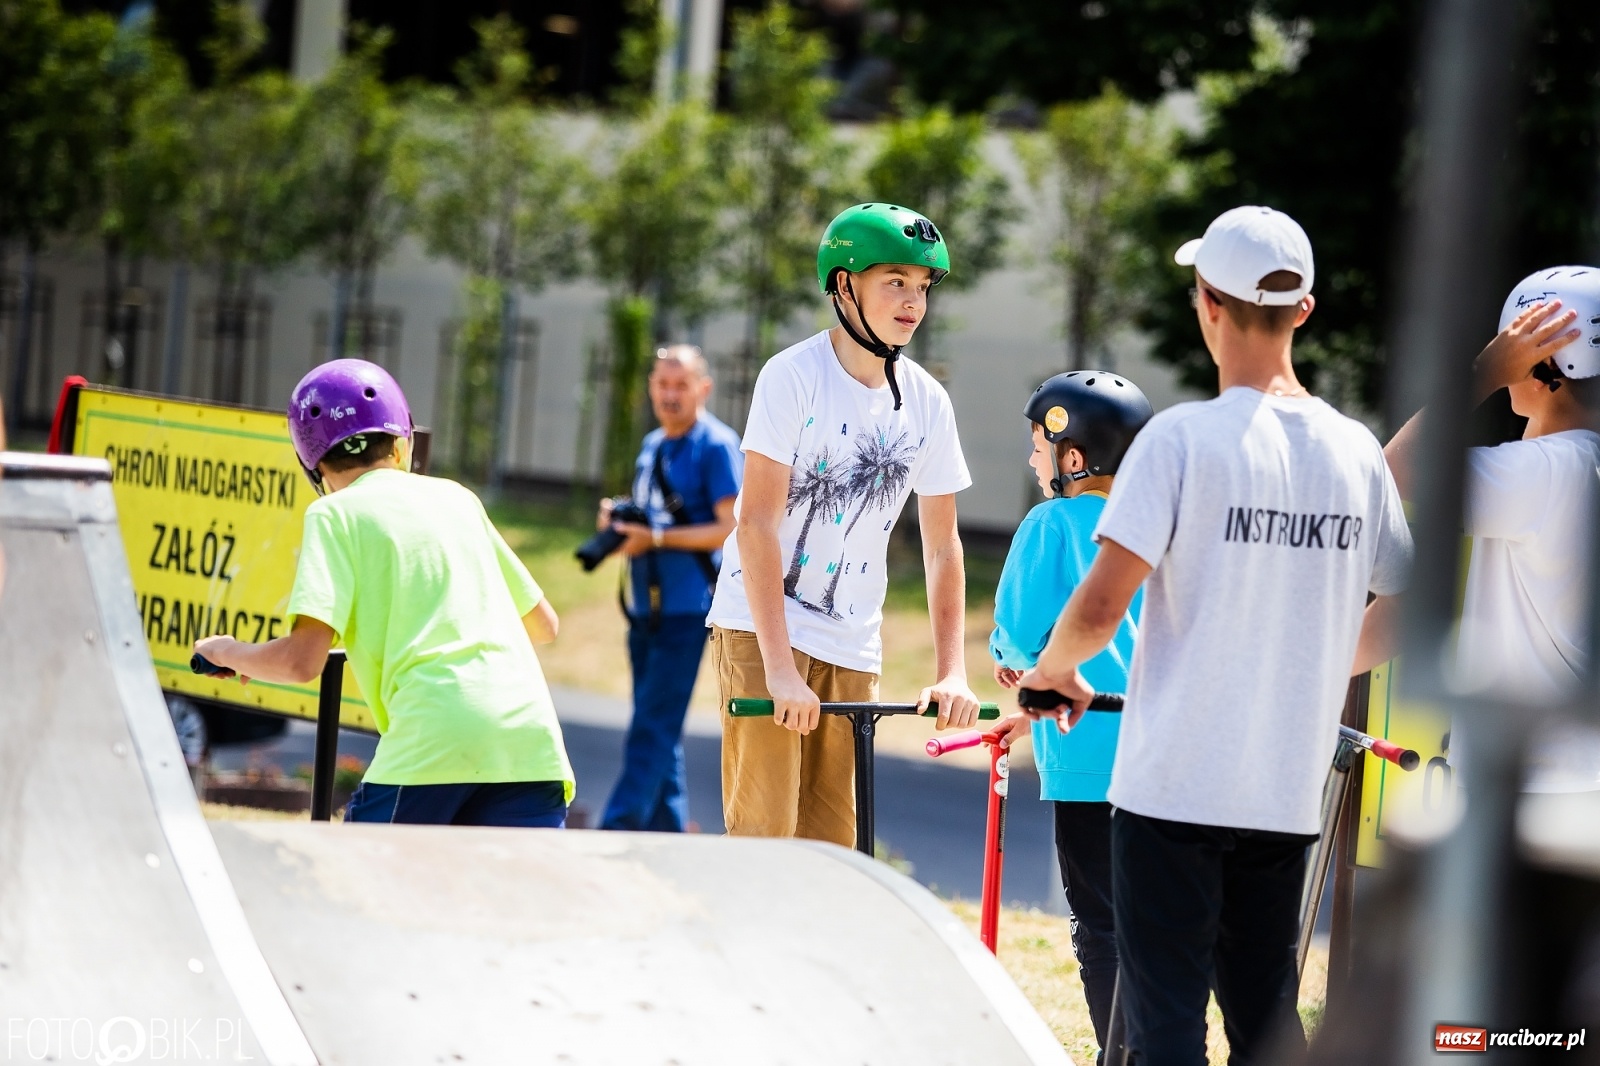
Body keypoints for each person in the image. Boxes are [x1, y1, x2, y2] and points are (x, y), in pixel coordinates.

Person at [1017, 206, 1413, 1063]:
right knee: (1267, 1012)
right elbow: (1415, 599)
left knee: (1163, 1021)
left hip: (1171, 792)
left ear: (1206, 303)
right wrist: (1312, 675)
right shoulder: (1353, 452)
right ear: (1303, 311)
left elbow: (1096, 610)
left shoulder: (1180, 440)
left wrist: (1052, 676)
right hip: (1281, 785)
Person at [193, 358, 574, 827]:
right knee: (495, 900)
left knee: (357, 888)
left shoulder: (335, 515)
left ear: (314, 465)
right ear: (401, 444)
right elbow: (543, 624)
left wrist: (231, 651)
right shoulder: (457, 498)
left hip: (431, 742)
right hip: (530, 745)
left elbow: (300, 661)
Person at [708, 202, 981, 847]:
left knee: (836, 850)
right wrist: (778, 669)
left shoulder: (926, 401)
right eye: (895, 281)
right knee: (765, 834)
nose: (913, 302)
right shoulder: (792, 377)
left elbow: (943, 547)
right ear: (843, 285)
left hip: (851, 641)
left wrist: (952, 670)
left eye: (922, 287)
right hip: (763, 628)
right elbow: (756, 525)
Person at [1356, 267, 1600, 789]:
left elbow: (1392, 471)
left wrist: (1482, 372)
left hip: (1537, 783)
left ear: (1543, 364)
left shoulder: (1548, 473)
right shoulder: (1574, 467)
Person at [989, 370, 1152, 1060]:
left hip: (1083, 753)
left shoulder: (1050, 523)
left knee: (1100, 924)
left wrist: (1013, 663)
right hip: (1155, 752)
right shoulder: (1155, 526)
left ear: (1073, 457)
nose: (1033, 460)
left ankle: (1120, 1055)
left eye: (1038, 446)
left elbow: (1020, 631)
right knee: (1155, 920)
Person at [597, 345, 742, 832]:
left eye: (681, 385)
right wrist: (620, 528)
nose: (670, 394)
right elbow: (650, 516)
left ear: (704, 388)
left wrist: (655, 537)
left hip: (689, 609)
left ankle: (615, 827)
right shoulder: (652, 445)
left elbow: (730, 527)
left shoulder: (716, 446)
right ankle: (667, 831)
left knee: (652, 726)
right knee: (659, 726)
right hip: (646, 608)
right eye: (662, 384)